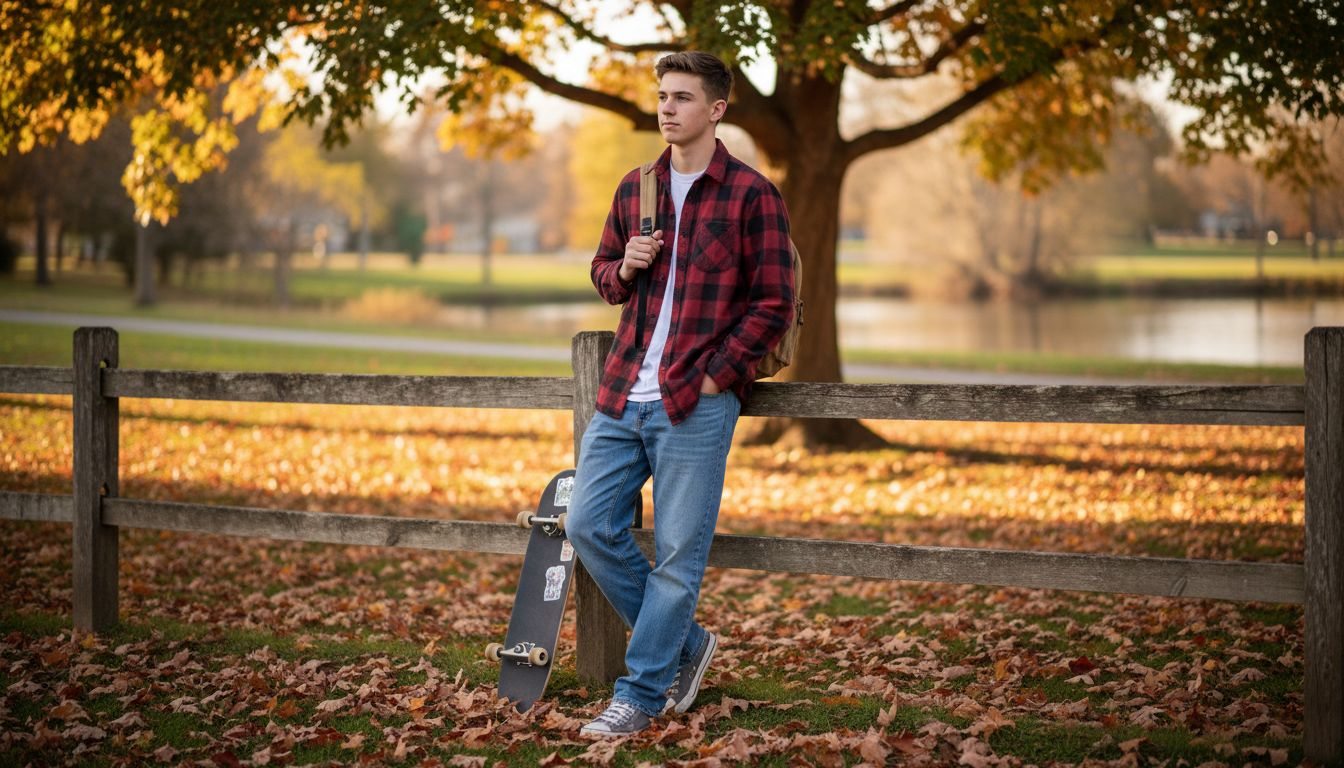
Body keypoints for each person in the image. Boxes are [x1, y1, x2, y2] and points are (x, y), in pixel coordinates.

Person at [565, 50, 795, 738]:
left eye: (683, 98)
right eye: (663, 96)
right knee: (587, 524)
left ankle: (641, 692)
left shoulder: (753, 194)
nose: (667, 108)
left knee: (677, 555)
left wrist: (716, 375)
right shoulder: (636, 189)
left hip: (696, 400)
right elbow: (603, 271)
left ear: (716, 110)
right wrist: (622, 266)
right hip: (622, 391)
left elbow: (774, 302)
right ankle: (685, 644)